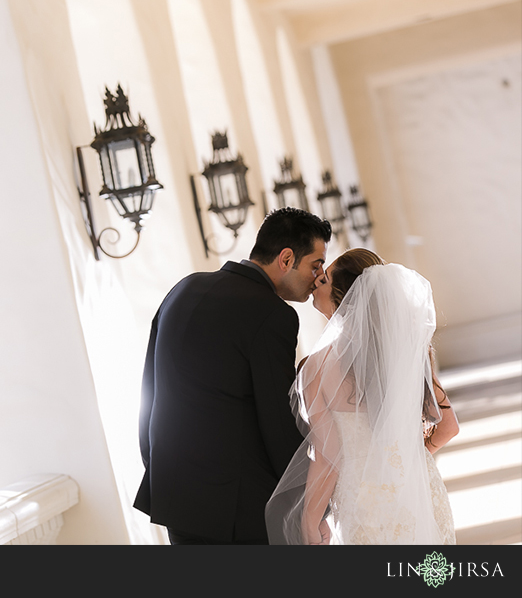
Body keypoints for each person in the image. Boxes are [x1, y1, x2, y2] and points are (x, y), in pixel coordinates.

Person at [133, 207, 332, 545]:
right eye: (316, 264)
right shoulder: (273, 315)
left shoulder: (183, 289)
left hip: (174, 492)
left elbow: (150, 391)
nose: (319, 276)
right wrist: (309, 505)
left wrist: (155, 465)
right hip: (237, 507)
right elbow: (278, 422)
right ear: (286, 259)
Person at [265, 248, 459, 545]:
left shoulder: (315, 368)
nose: (316, 281)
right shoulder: (407, 352)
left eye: (325, 279)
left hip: (364, 505)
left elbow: (329, 454)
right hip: (420, 492)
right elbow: (448, 427)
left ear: (344, 294)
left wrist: (310, 518)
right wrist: (404, 461)